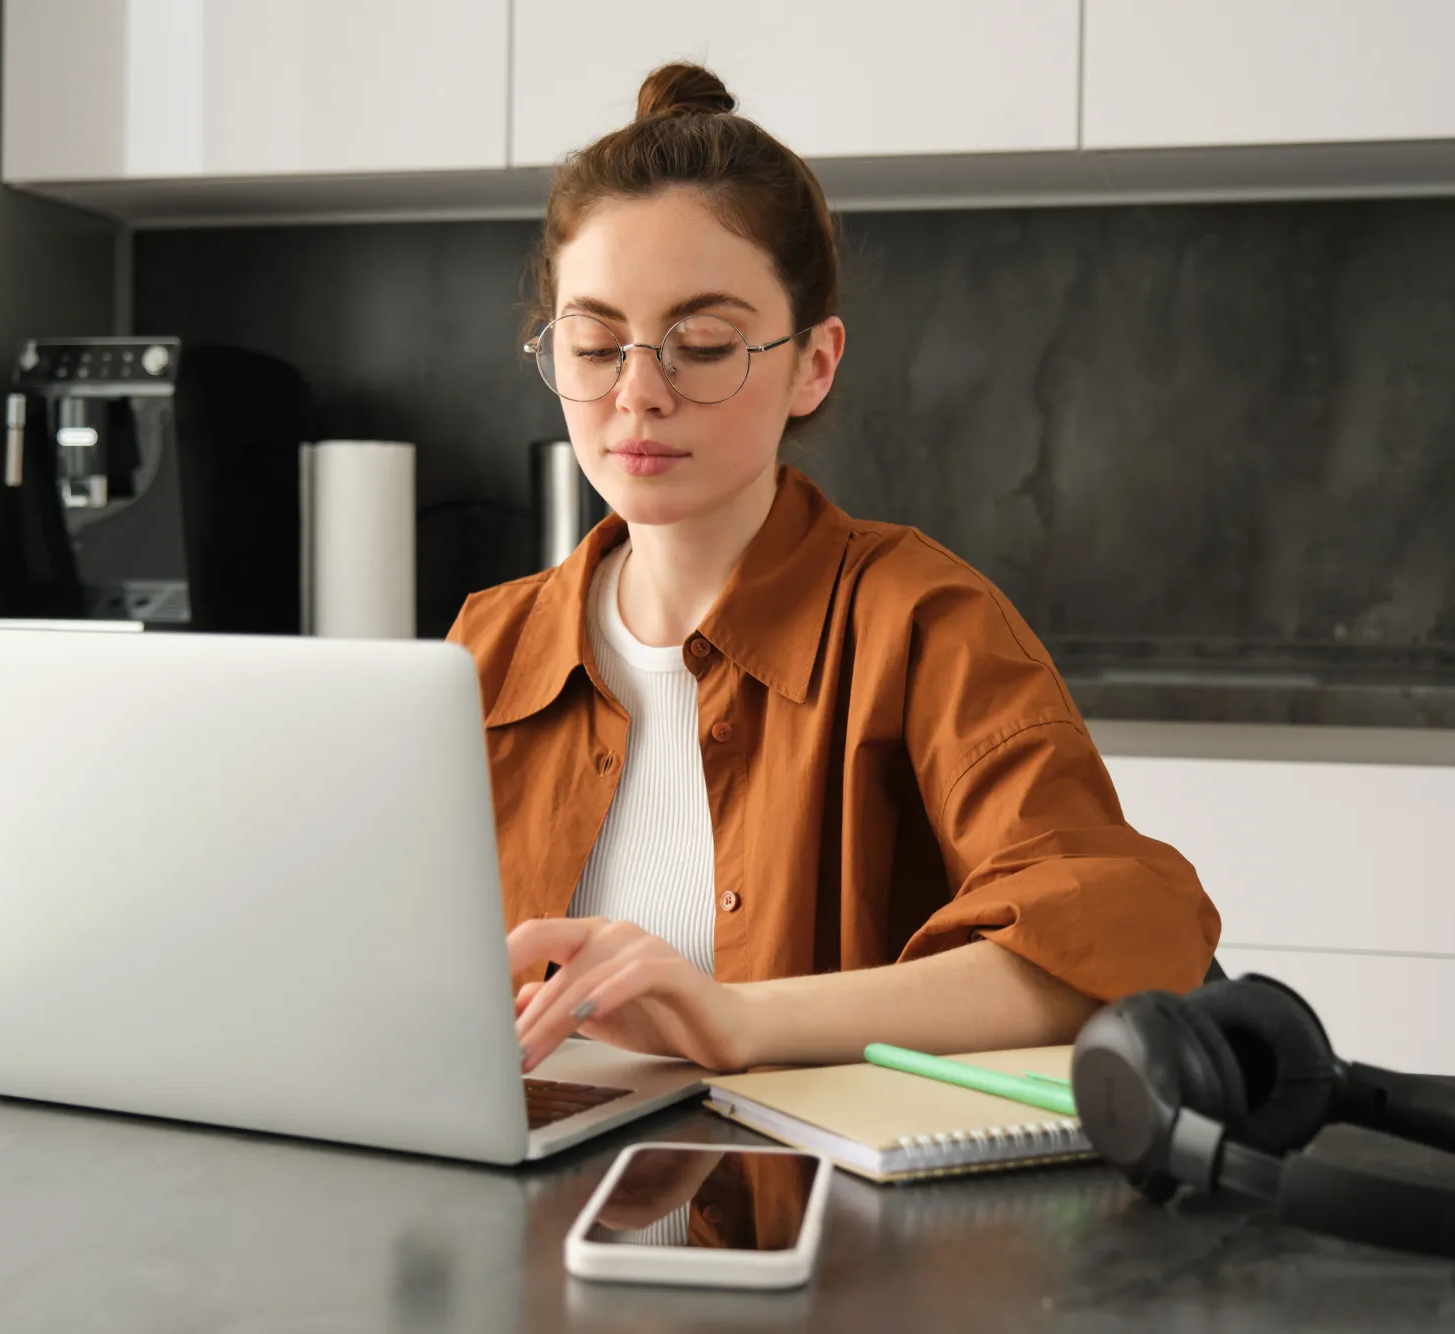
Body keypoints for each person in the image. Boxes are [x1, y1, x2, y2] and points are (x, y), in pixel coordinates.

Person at [449, 63, 1219, 1077]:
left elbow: (1117, 938)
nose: (638, 393)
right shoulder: (482, 647)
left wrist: (739, 1020)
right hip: (525, 1229)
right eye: (595, 344)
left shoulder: (919, 620)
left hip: (821, 1231)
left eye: (703, 343)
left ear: (813, 361)